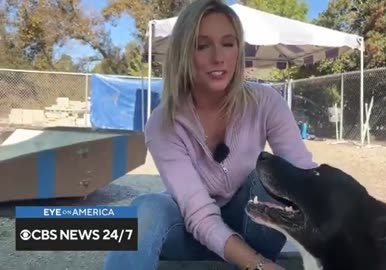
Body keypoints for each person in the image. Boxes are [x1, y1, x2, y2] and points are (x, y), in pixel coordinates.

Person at [103, 0, 317, 269]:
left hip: (255, 228)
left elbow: (305, 177)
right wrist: (260, 266)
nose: (218, 57)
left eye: (228, 43)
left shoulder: (265, 102)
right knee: (143, 210)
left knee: (273, 174)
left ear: (239, 50)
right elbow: (199, 215)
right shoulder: (162, 123)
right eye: (202, 45)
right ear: (183, 52)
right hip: (190, 233)